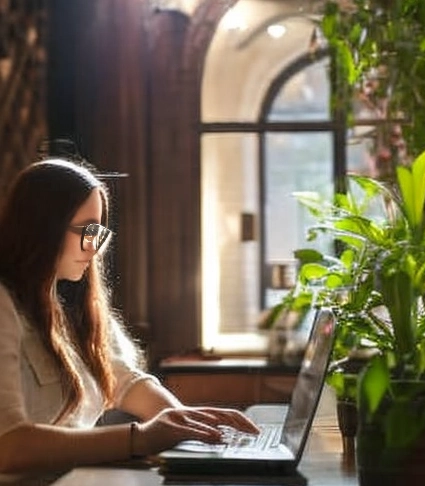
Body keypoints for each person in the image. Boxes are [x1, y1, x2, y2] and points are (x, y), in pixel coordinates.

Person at [0, 158, 259, 483]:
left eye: (99, 235)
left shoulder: (67, 301)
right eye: (87, 232)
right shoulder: (5, 304)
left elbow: (121, 377)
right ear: (42, 228)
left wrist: (181, 419)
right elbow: (8, 446)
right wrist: (140, 438)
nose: (93, 249)